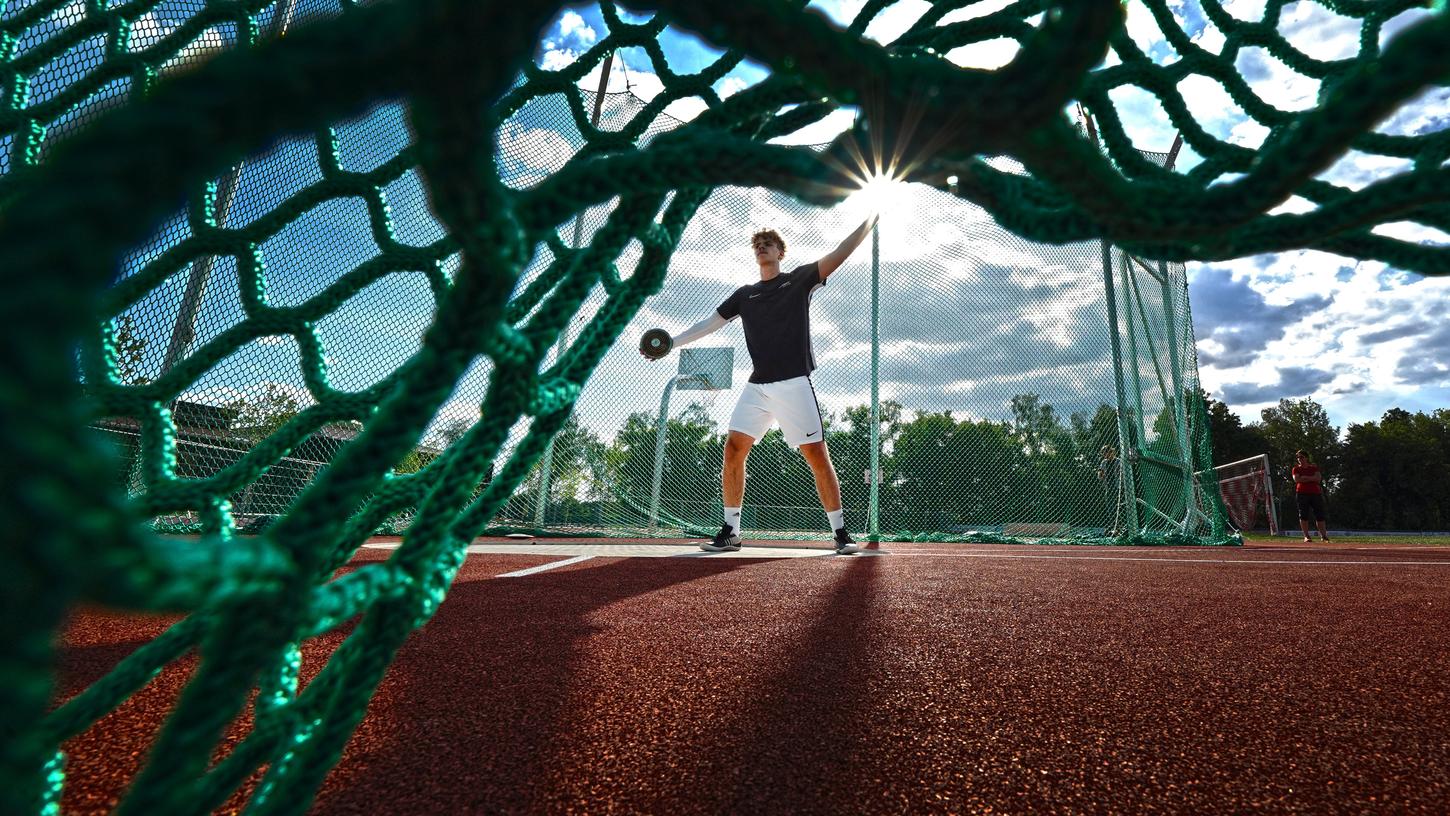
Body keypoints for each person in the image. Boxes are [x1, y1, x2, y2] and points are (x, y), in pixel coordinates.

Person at [644, 216, 877, 554]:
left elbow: (840, 252)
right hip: (758, 387)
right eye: (757, 244)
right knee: (733, 449)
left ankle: (841, 534)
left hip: (794, 382)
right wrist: (671, 343)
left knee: (816, 455)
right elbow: (709, 324)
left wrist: (868, 221)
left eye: (768, 243)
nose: (762, 247)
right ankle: (731, 531)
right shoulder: (745, 295)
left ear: (780, 251)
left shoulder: (798, 280)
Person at [1291, 449, 1330, 543]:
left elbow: (1318, 479)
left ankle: (1324, 536)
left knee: (1320, 515)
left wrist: (1305, 478)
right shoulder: (1296, 469)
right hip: (1301, 494)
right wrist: (1311, 479)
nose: (1299, 459)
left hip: (1315, 493)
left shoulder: (1314, 468)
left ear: (1306, 458)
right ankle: (1306, 536)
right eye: (1298, 457)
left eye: (1301, 457)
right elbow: (1297, 480)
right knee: (1303, 515)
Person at [1096, 445, 1123, 536]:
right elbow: (1100, 474)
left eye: (1106, 453)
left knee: (1118, 507)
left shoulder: (1118, 461)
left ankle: (1120, 527)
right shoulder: (1104, 462)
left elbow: (1122, 474)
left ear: (1111, 452)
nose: (1105, 455)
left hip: (1118, 488)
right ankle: (1114, 527)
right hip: (1109, 487)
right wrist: (1101, 474)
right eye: (1103, 454)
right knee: (1110, 508)